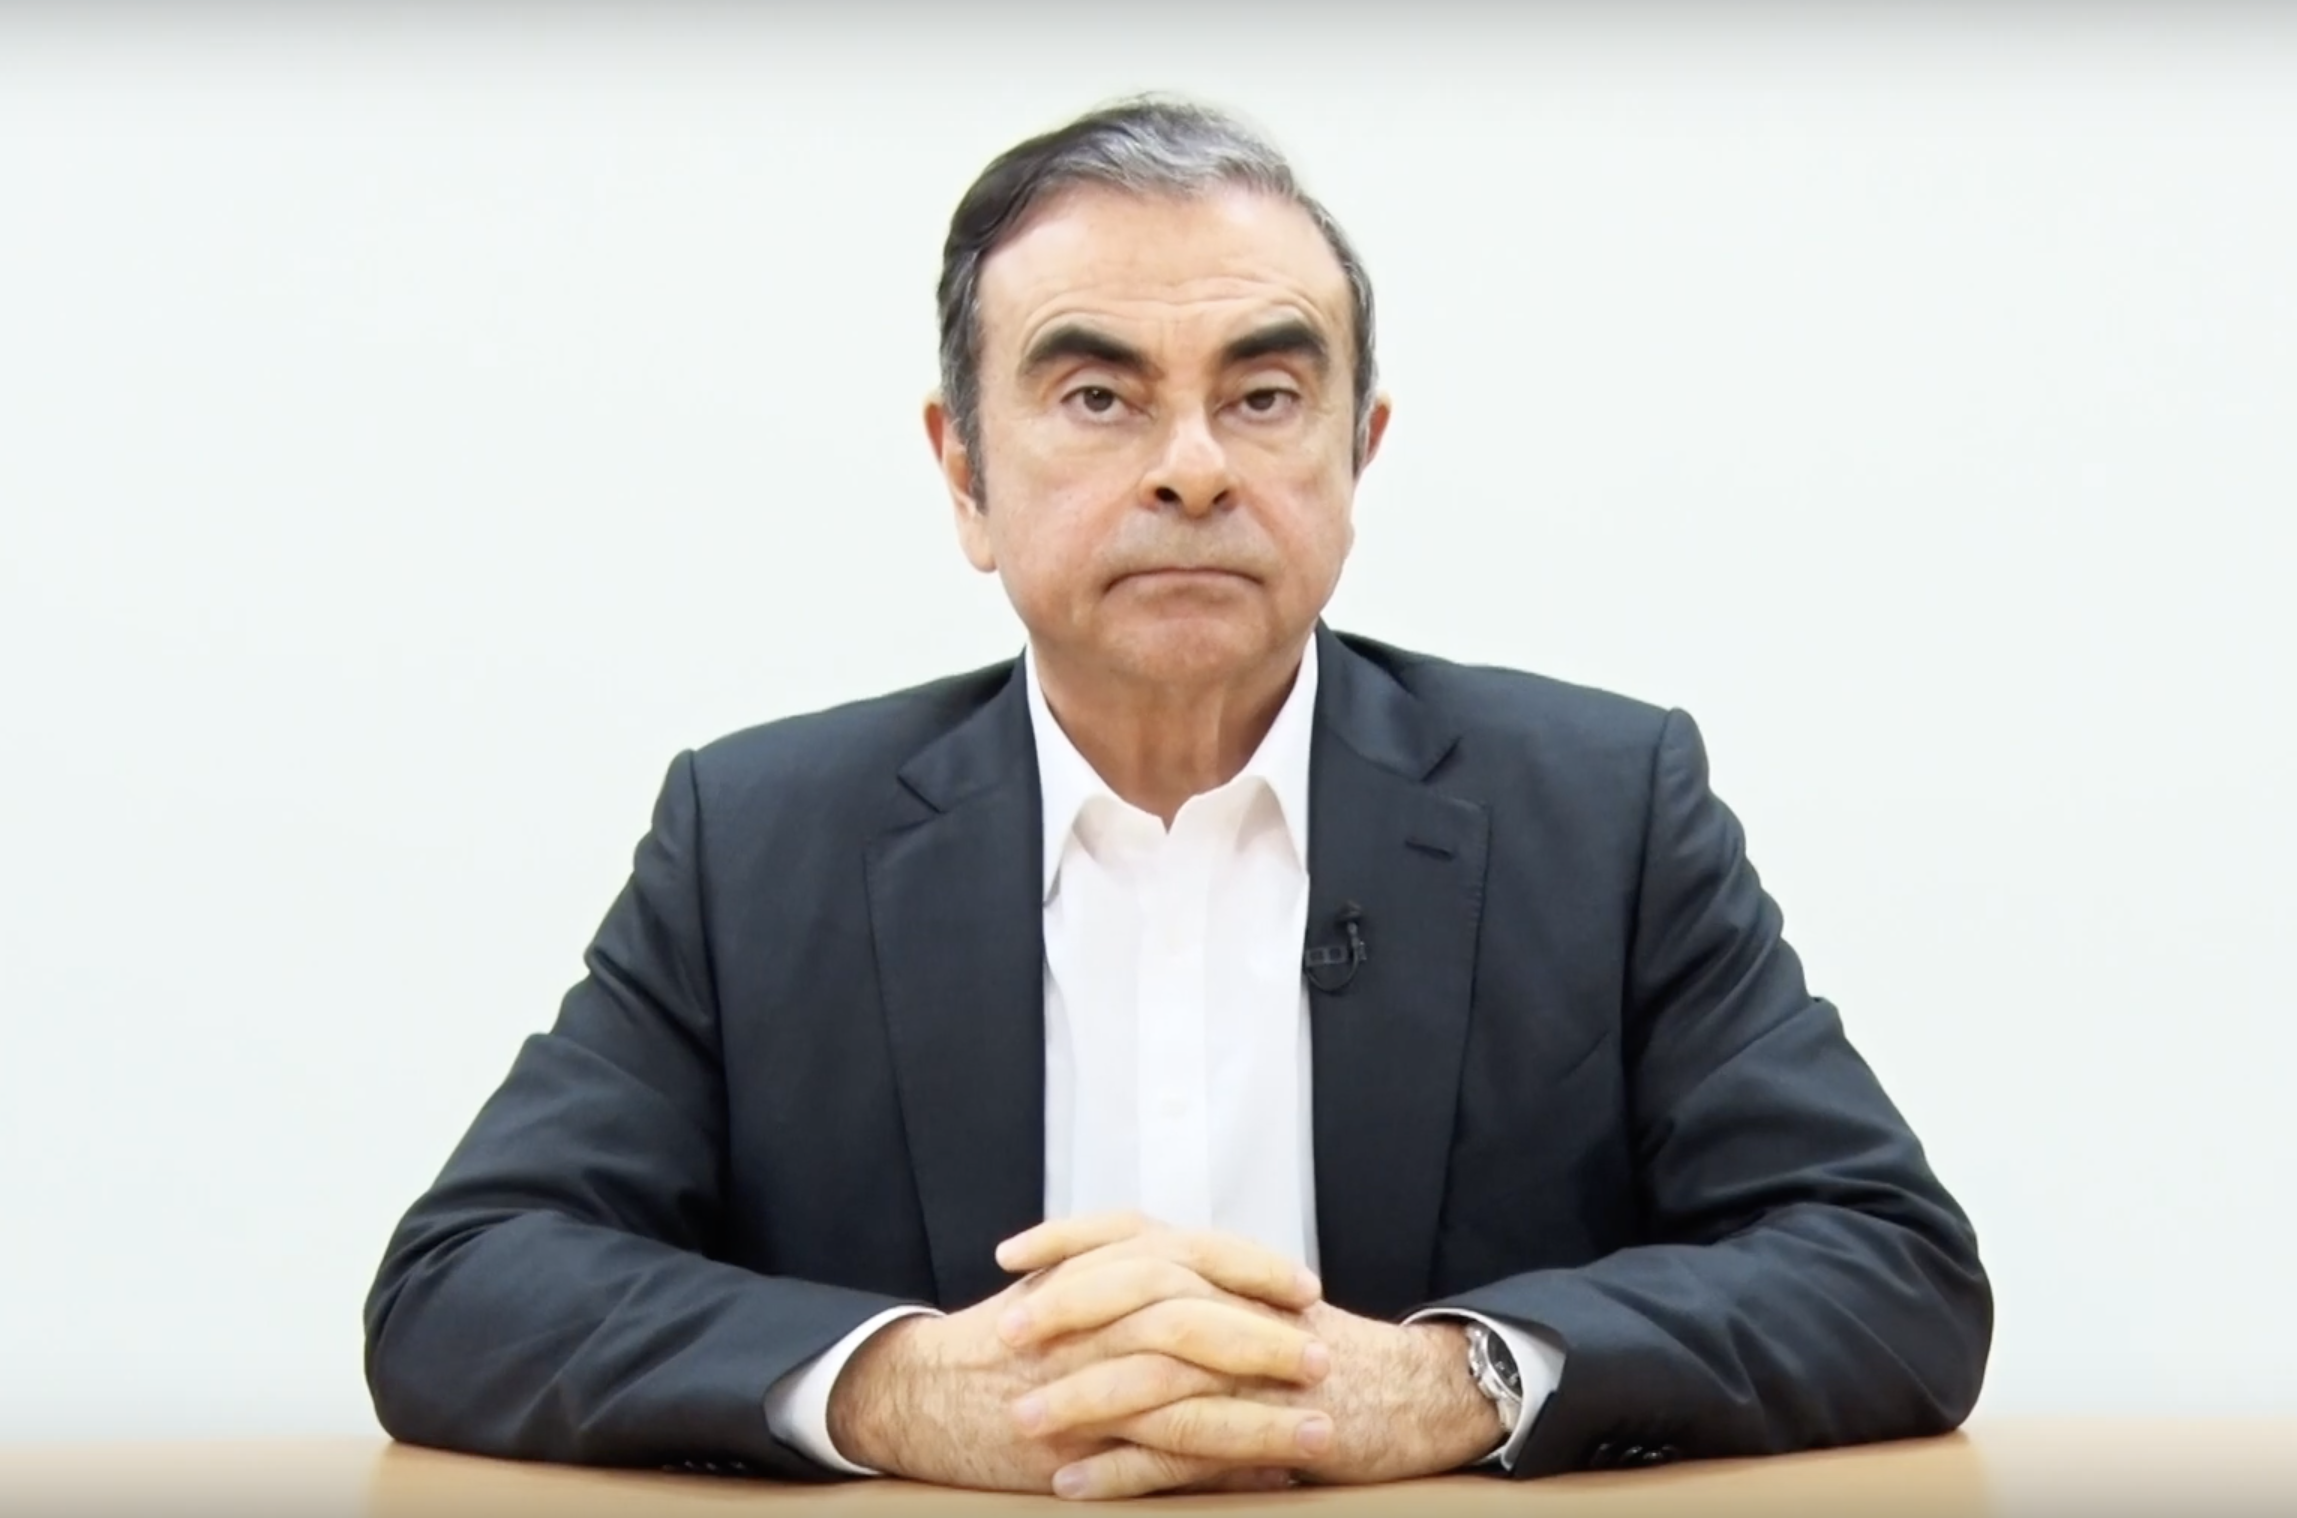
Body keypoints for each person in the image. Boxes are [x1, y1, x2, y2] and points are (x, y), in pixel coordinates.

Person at [363, 96, 1991, 1500]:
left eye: (1265, 397)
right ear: (963, 472)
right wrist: (900, 1389)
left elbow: (1890, 1266)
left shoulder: (1601, 812)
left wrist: (1455, 1382)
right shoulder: (760, 840)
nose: (1194, 465)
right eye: (1099, 396)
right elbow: (463, 1285)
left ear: (1358, 455)